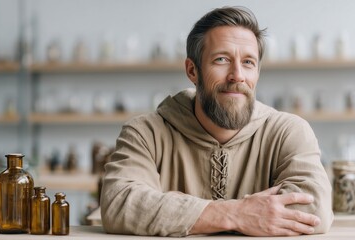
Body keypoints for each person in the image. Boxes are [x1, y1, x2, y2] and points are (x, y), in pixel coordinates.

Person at [100, 6, 333, 237]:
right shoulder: (145, 133)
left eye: (249, 62)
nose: (237, 75)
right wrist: (238, 214)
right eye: (222, 59)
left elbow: (315, 210)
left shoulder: (288, 132)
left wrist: (176, 209)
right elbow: (120, 204)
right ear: (192, 71)